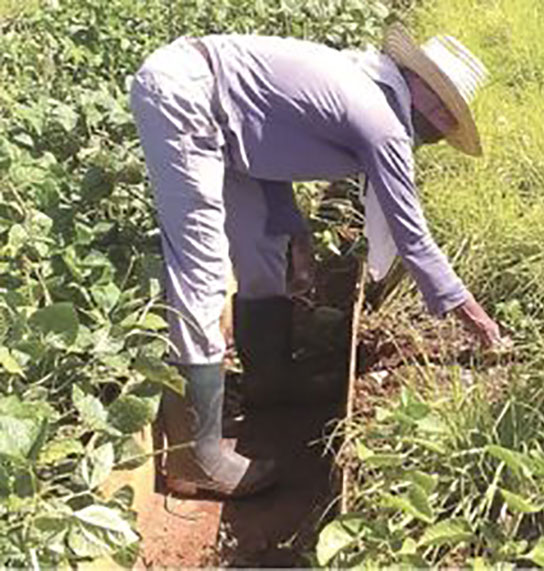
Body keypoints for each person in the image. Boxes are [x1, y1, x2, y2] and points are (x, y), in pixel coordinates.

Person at [129, 23, 505, 499]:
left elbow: (264, 147)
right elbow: (414, 238)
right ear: (422, 89)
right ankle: (194, 459)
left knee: (261, 249)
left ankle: (269, 384)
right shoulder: (380, 118)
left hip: (217, 113)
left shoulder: (367, 86)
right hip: (185, 100)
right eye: (445, 111)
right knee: (201, 268)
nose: (441, 127)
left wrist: (295, 232)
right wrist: (480, 323)